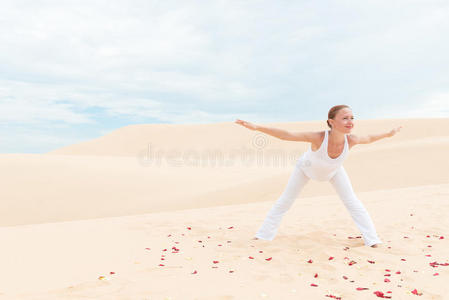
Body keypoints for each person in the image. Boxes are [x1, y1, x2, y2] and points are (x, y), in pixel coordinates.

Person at [234, 105, 402, 248]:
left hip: (334, 171)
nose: (350, 122)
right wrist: (257, 127)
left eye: (352, 117)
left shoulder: (351, 140)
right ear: (331, 122)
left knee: (353, 203)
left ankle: (372, 240)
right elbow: (287, 135)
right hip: (305, 169)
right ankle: (263, 236)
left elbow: (370, 138)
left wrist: (389, 134)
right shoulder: (318, 137)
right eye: (344, 118)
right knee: (285, 201)